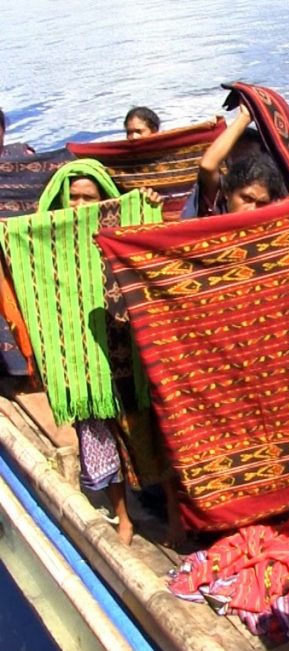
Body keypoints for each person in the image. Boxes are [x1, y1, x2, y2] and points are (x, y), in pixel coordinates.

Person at [38, 160, 179, 546]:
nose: (81, 206)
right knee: (98, 439)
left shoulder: (121, 232)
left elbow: (159, 244)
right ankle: (124, 518)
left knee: (150, 434)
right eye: (74, 198)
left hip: (125, 352)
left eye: (90, 197)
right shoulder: (48, 241)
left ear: (105, 200)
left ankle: (175, 518)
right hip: (81, 359)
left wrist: (147, 204)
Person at [182, 104, 286, 218]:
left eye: (261, 203)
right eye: (247, 199)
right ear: (228, 193)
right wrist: (245, 117)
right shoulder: (218, 200)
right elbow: (207, 165)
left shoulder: (274, 195)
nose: (252, 209)